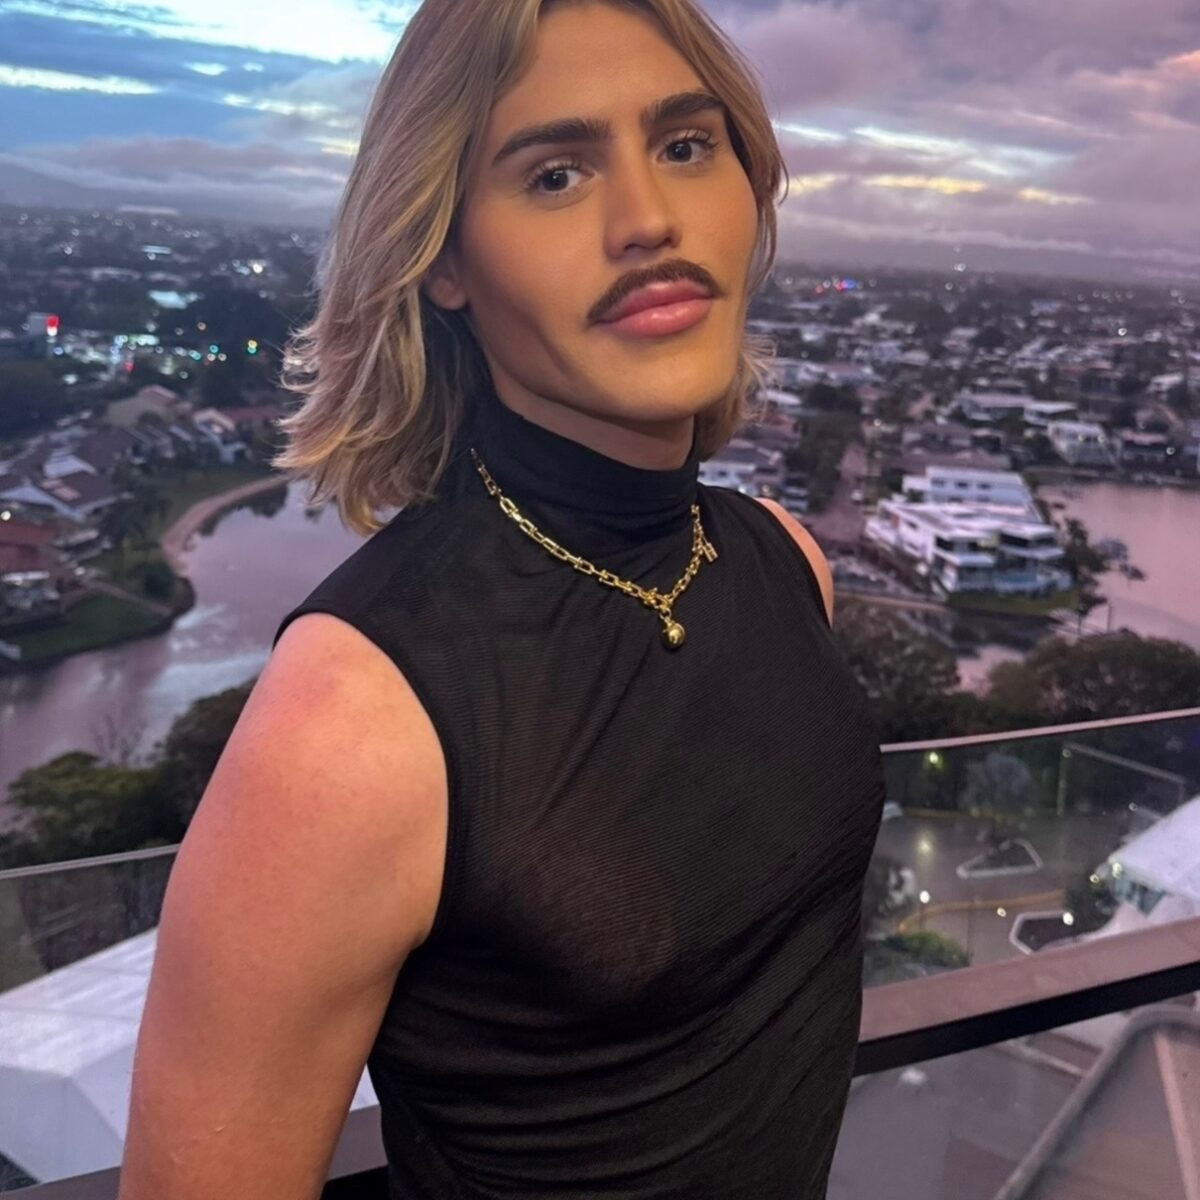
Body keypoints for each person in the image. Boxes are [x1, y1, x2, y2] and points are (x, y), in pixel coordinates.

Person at [118, 1, 887, 1197]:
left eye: (688, 145)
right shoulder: (353, 727)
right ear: (443, 262)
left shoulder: (788, 564)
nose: (651, 220)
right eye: (556, 173)